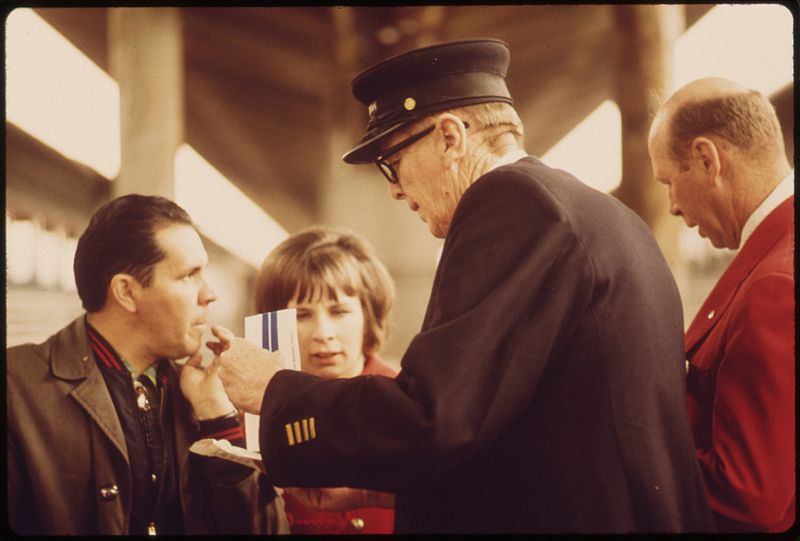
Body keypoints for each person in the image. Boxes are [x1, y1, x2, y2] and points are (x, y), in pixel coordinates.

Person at [216, 39, 715, 533]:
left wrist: (274, 390)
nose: (393, 188)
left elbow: (433, 417)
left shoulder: (512, 204)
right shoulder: (607, 215)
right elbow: (516, 419)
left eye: (393, 161)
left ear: (450, 138)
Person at [6, 194, 288, 535]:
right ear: (126, 292)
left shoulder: (200, 394)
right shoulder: (15, 389)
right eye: (189, 276)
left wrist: (217, 419)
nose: (209, 294)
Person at [648, 77, 794, 533]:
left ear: (707, 160)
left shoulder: (774, 284)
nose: (671, 206)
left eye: (670, 182)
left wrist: (622, 468)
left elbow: (751, 499)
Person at [253, 225, 397, 534]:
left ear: (368, 316)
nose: (323, 334)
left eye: (339, 312)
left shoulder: (408, 405)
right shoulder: (254, 418)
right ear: (275, 323)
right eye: (302, 315)